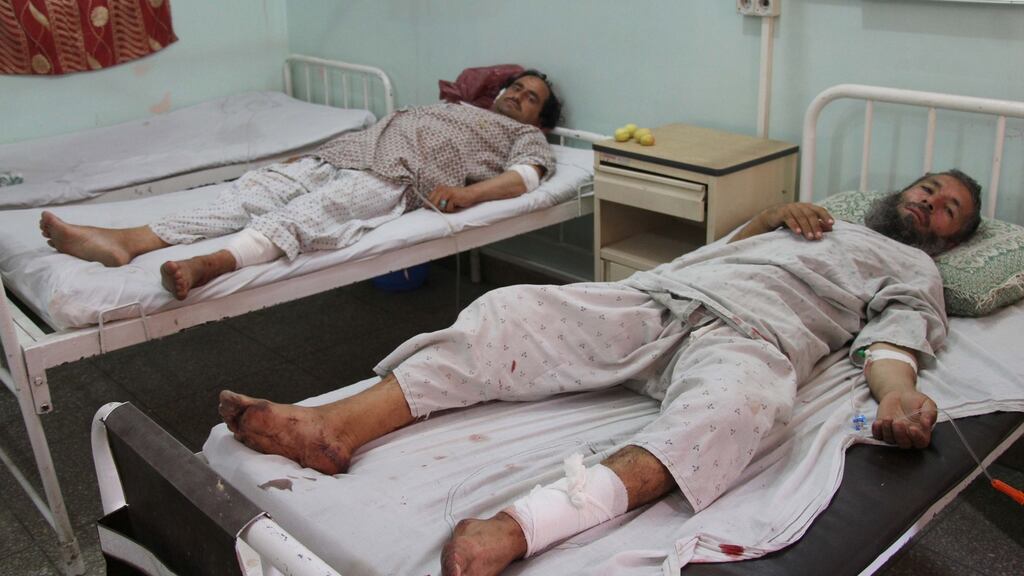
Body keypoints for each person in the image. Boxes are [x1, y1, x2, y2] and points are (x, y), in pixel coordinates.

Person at [216, 169, 981, 576]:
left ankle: (521, 528)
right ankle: (333, 427)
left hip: (754, 334)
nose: (930, 203)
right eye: (929, 188)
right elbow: (720, 251)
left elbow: (895, 340)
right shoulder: (813, 215)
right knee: (510, 310)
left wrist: (898, 396)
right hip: (661, 299)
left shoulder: (913, 267)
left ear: (951, 240)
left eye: (948, 209)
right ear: (900, 190)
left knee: (738, 412)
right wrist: (770, 216)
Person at [39, 70, 562, 299]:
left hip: (396, 176)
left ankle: (210, 264)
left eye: (530, 97)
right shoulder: (455, 106)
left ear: (540, 119)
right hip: (347, 152)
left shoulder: (523, 137)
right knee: (250, 191)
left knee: (306, 217)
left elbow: (526, 177)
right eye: (515, 87)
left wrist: (469, 194)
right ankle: (131, 239)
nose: (517, 95)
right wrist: (318, 153)